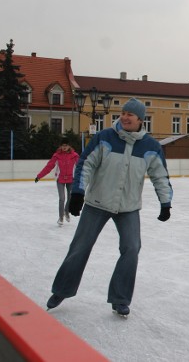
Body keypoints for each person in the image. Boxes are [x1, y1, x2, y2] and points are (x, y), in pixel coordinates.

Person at [46, 98, 173, 317]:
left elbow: (160, 176)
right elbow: (85, 163)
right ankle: (61, 290)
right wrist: (77, 192)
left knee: (132, 248)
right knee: (80, 247)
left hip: (129, 207)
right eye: (123, 113)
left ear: (140, 120)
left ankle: (120, 298)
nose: (124, 117)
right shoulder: (104, 138)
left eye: (130, 115)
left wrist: (165, 203)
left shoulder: (151, 147)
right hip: (97, 203)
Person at [35, 137, 79, 226]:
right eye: (63, 146)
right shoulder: (57, 156)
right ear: (61, 146)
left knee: (70, 197)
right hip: (60, 179)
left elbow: (81, 167)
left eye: (66, 145)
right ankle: (61, 217)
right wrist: (39, 176)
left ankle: (66, 212)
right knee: (62, 198)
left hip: (71, 179)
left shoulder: (74, 156)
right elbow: (49, 167)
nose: (64, 147)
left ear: (69, 146)